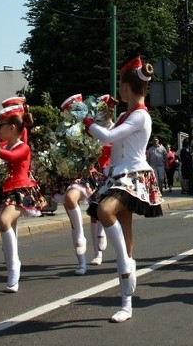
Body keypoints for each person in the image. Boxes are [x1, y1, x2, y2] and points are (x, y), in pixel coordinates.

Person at [83, 52, 163, 323]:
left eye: (120, 85)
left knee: (105, 212)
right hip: (116, 176)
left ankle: (127, 267)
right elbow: (108, 140)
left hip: (134, 176)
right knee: (125, 236)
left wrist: (86, 121)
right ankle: (126, 304)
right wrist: (100, 118)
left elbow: (107, 137)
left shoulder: (140, 116)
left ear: (128, 88)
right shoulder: (125, 115)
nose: (119, 90)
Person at [0, 103, 47, 292]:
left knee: (4, 220)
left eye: (1, 126)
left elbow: (12, 157)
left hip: (21, 191)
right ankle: (10, 261)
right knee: (9, 227)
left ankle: (14, 265)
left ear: (12, 128)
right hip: (5, 191)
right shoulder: (3, 145)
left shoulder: (22, 147)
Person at [56, 93, 113, 276]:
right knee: (70, 203)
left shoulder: (95, 128)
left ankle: (97, 251)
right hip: (73, 174)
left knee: (96, 212)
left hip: (97, 173)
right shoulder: (65, 132)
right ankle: (81, 261)